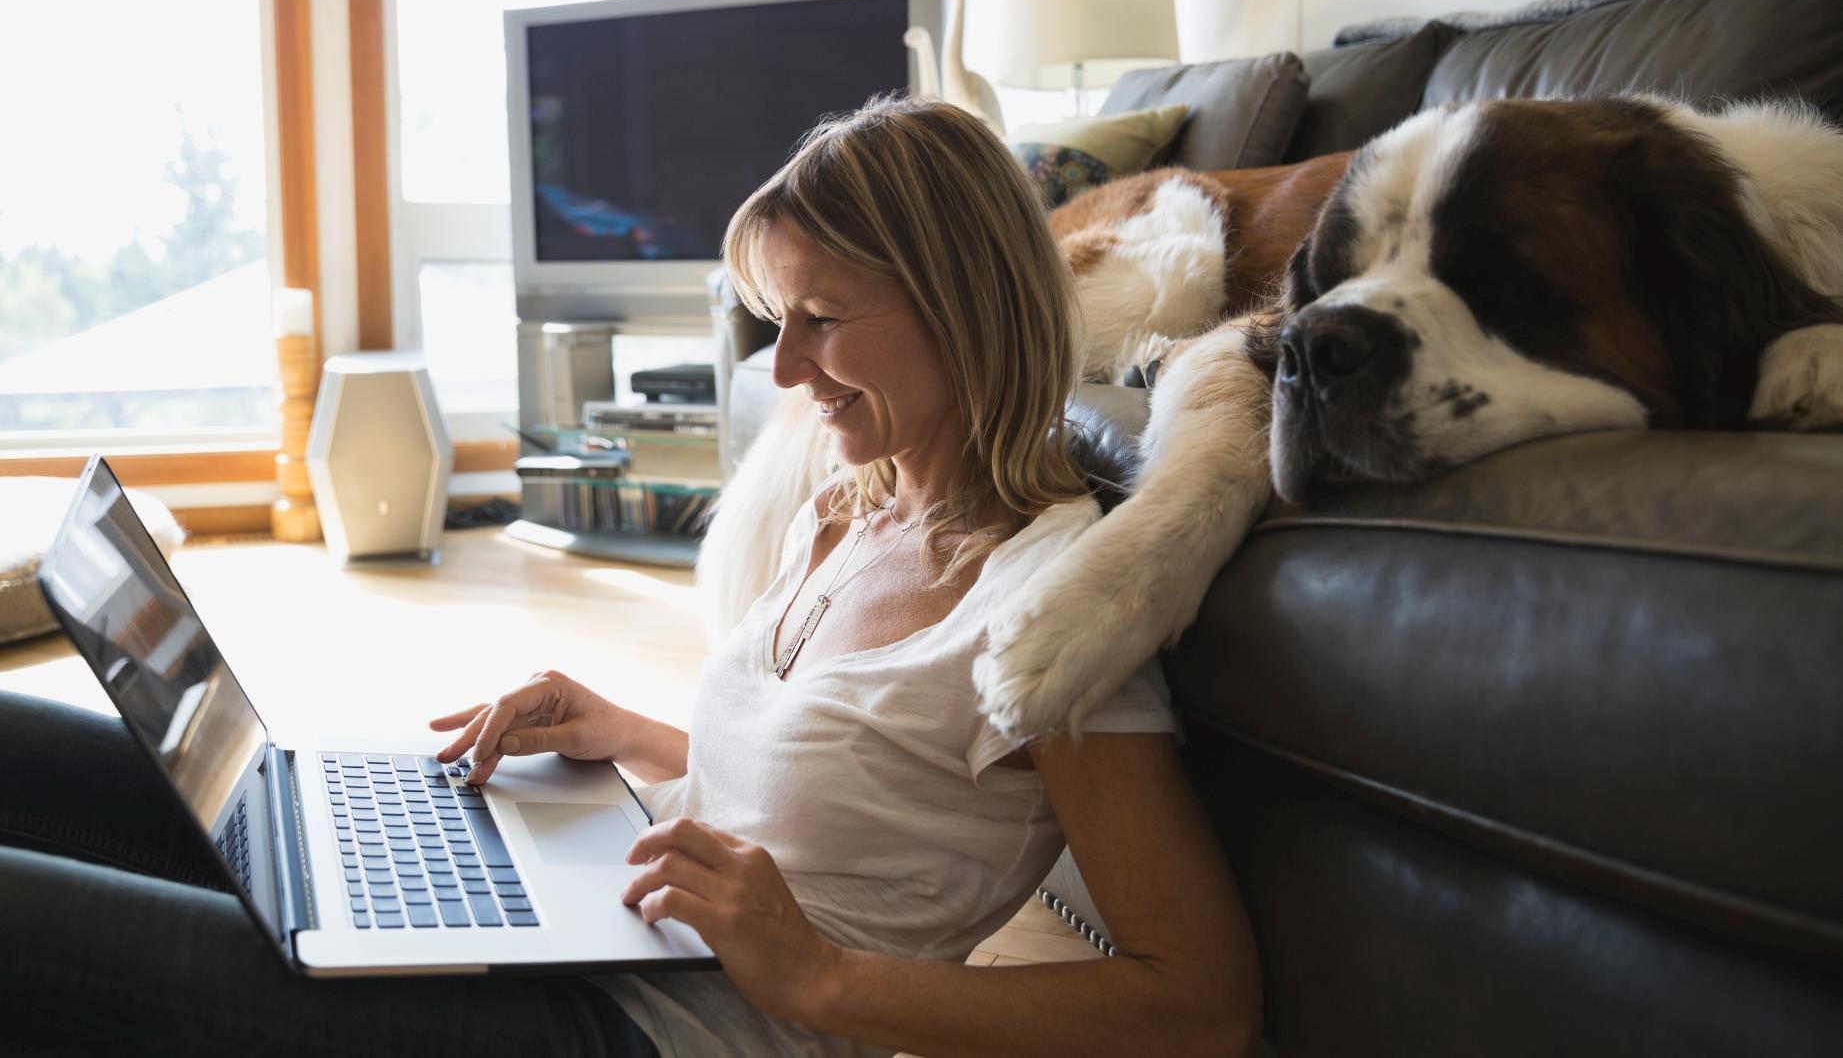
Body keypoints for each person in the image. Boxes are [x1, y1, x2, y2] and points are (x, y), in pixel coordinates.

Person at [0, 96, 1259, 1057]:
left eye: (821, 319)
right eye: (777, 323)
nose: (784, 372)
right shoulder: (854, 506)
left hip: (632, 1035)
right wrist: (629, 734)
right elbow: (856, 777)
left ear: (962, 302)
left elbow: (1200, 1003)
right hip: (591, 936)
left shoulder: (1060, 616)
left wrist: (820, 978)